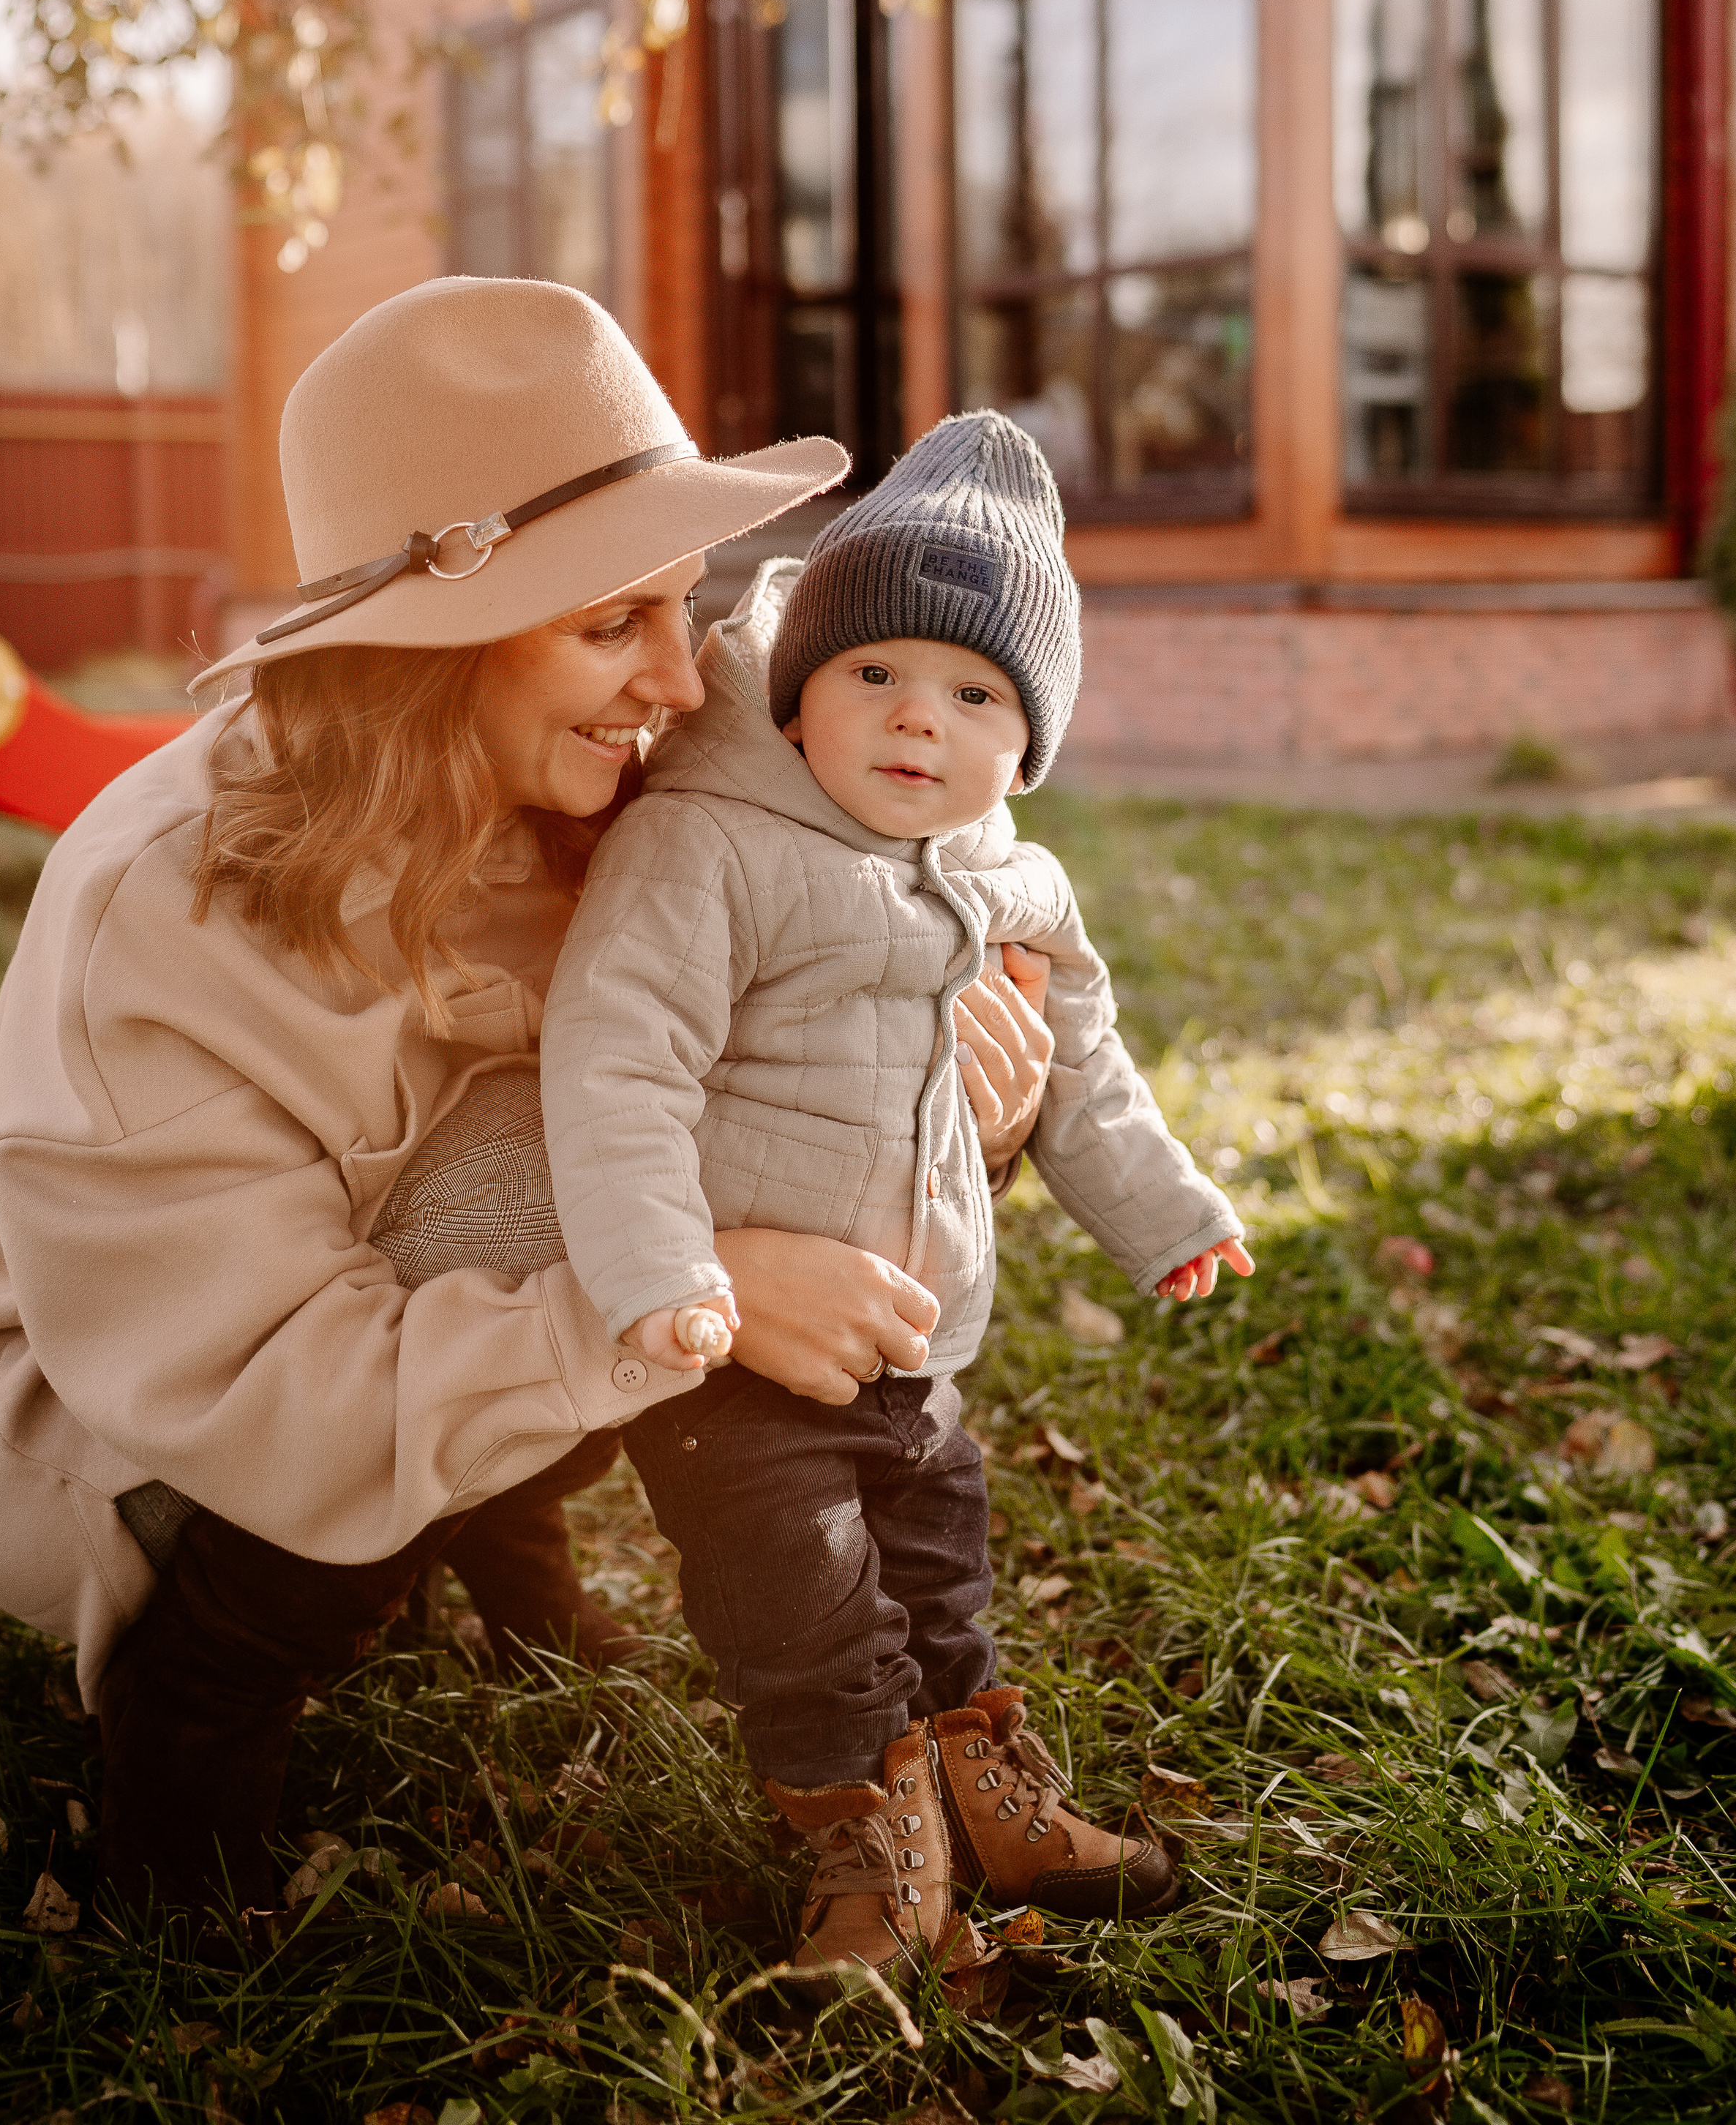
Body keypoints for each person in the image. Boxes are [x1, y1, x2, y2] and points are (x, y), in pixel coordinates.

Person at [0, 280, 1046, 1922]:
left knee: (755, 1105)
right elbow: (261, 1374)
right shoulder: (166, 914)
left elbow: (840, 984)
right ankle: (194, 1715)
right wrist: (694, 1294)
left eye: (686, 605)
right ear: (424, 652)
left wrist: (967, 1103)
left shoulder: (608, 775)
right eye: (610, 626)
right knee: (541, 1196)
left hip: (397, 1301)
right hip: (117, 1414)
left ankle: (504, 1555)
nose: (684, 676)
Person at [525, 411, 1256, 1985]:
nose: (916, 719)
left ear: (1026, 741)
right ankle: (862, 1844)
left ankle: (986, 1798)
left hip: (920, 1338)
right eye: (874, 674)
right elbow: (614, 1062)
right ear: (798, 695)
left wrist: (1167, 1216)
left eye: (973, 693)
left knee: (937, 1576)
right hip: (738, 1353)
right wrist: (660, 1267)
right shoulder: (706, 848)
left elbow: (1082, 1069)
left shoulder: (1014, 882)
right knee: (804, 1609)